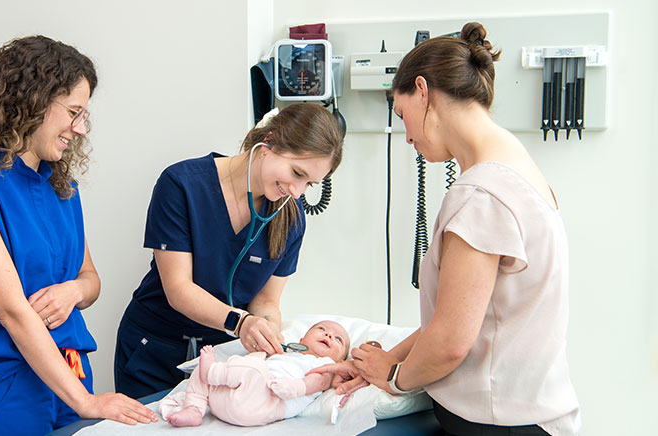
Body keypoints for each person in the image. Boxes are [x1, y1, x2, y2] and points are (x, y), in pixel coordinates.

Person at [310, 22, 580, 435]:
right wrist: (380, 361)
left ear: (423, 91)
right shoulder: (516, 167)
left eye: (402, 116)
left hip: (500, 423)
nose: (406, 137)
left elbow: (452, 341)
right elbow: (466, 317)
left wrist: (394, 376)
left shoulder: (482, 195)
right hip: (525, 412)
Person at [0, 35, 157, 435]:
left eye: (85, 116)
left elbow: (90, 280)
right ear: (32, 100)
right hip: (4, 390)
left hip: (69, 376)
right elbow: (13, 312)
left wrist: (73, 292)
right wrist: (86, 402)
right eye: (73, 112)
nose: (80, 129)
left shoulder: (61, 189)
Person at [114, 103, 344, 399]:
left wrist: (266, 329)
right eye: (296, 172)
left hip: (223, 359)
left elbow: (266, 300)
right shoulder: (181, 184)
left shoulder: (292, 217)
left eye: (308, 183)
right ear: (269, 143)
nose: (298, 191)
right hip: (153, 349)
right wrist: (241, 322)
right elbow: (178, 289)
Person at [162, 320, 350, 427]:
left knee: (252, 370)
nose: (328, 336)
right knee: (199, 371)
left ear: (340, 361)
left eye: (338, 339)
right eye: (322, 329)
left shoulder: (325, 365)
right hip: (228, 398)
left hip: (265, 402)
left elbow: (319, 382)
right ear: (301, 339)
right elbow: (257, 358)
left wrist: (296, 388)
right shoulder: (285, 352)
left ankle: (212, 372)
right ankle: (194, 409)